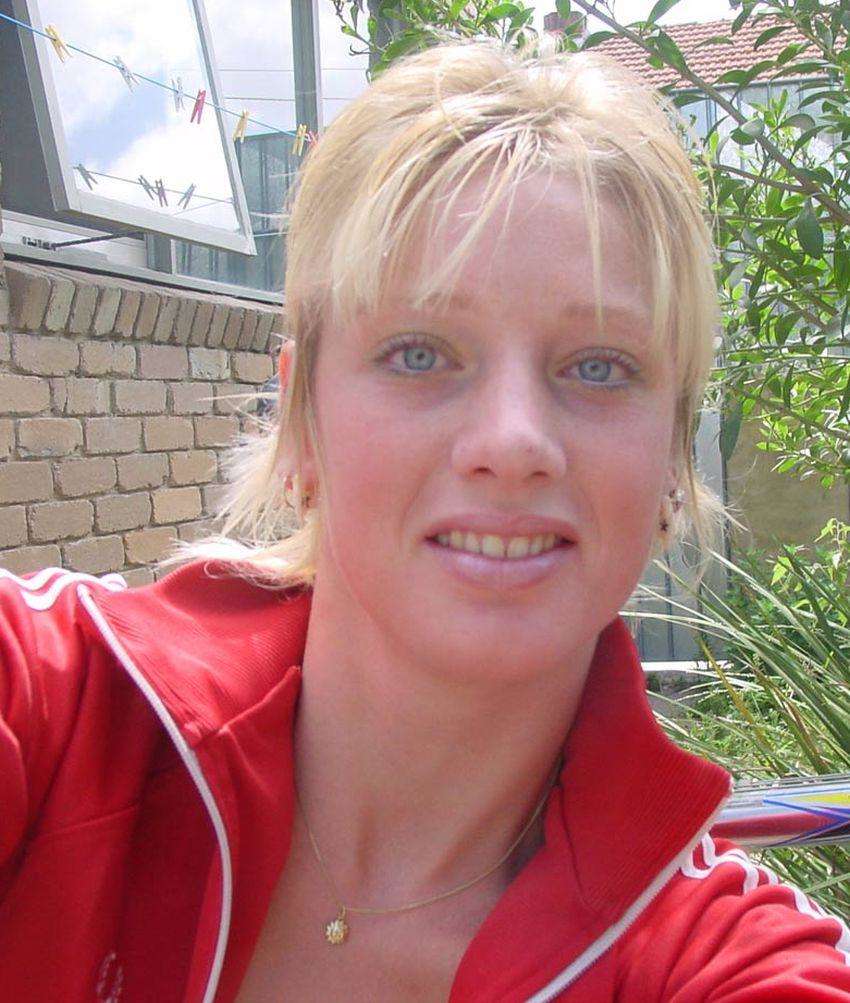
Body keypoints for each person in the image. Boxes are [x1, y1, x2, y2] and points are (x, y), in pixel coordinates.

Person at [1, 34, 848, 1003]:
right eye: (419, 353)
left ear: (670, 460)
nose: (514, 441)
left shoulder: (724, 961)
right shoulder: (55, 707)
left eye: (598, 366)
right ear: (301, 419)